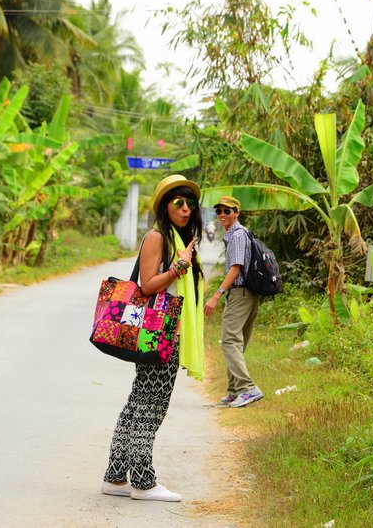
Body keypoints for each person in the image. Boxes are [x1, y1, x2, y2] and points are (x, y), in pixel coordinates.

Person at [102, 174, 204, 502]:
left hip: (164, 330)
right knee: (152, 403)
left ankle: (116, 477)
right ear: (165, 206)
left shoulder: (177, 237)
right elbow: (147, 285)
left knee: (138, 401)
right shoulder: (158, 237)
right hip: (158, 329)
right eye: (179, 203)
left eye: (190, 203)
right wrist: (178, 267)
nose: (186, 209)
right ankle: (143, 481)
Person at [203, 195, 264, 408]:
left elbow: (235, 267)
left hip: (240, 294)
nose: (222, 215)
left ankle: (247, 389)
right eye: (219, 211)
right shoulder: (241, 233)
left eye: (227, 211)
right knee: (237, 342)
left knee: (229, 340)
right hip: (249, 294)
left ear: (236, 213)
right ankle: (234, 391)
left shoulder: (237, 235)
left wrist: (216, 295)